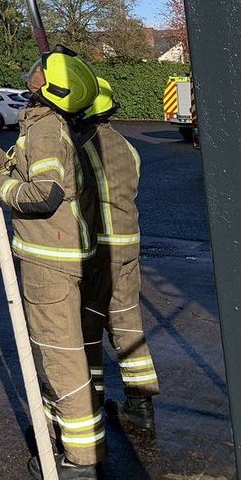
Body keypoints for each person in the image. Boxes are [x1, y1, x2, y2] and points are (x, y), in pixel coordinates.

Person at [0, 47, 103, 480]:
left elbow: (44, 194)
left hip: (50, 261)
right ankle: (64, 437)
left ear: (53, 89)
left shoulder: (46, 130)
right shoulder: (43, 126)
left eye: (40, 71)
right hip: (53, 256)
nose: (32, 72)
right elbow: (33, 174)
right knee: (56, 353)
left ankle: (81, 460)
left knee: (60, 356)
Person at [71, 77, 159, 434]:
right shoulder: (126, 147)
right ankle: (141, 406)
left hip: (100, 251)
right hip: (129, 246)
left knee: (88, 328)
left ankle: (90, 402)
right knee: (127, 324)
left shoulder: (82, 146)